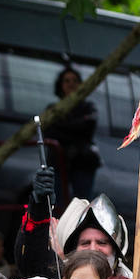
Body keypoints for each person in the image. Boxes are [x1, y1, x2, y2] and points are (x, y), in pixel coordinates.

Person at [46, 67, 101, 200]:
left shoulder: (88, 107)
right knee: (57, 205)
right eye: (67, 81)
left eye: (75, 81)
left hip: (83, 163)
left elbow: (88, 127)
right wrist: (75, 129)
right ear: (60, 85)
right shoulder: (52, 109)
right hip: (59, 163)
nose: (71, 84)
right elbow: (49, 131)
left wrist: (62, 127)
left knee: (81, 205)